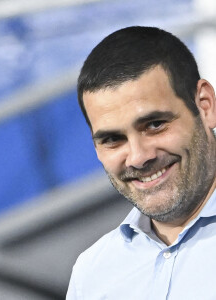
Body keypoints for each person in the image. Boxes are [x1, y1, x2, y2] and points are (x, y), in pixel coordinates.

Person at [66, 26, 216, 299]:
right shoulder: (91, 275)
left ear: (205, 106)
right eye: (112, 139)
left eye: (155, 124)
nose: (138, 157)